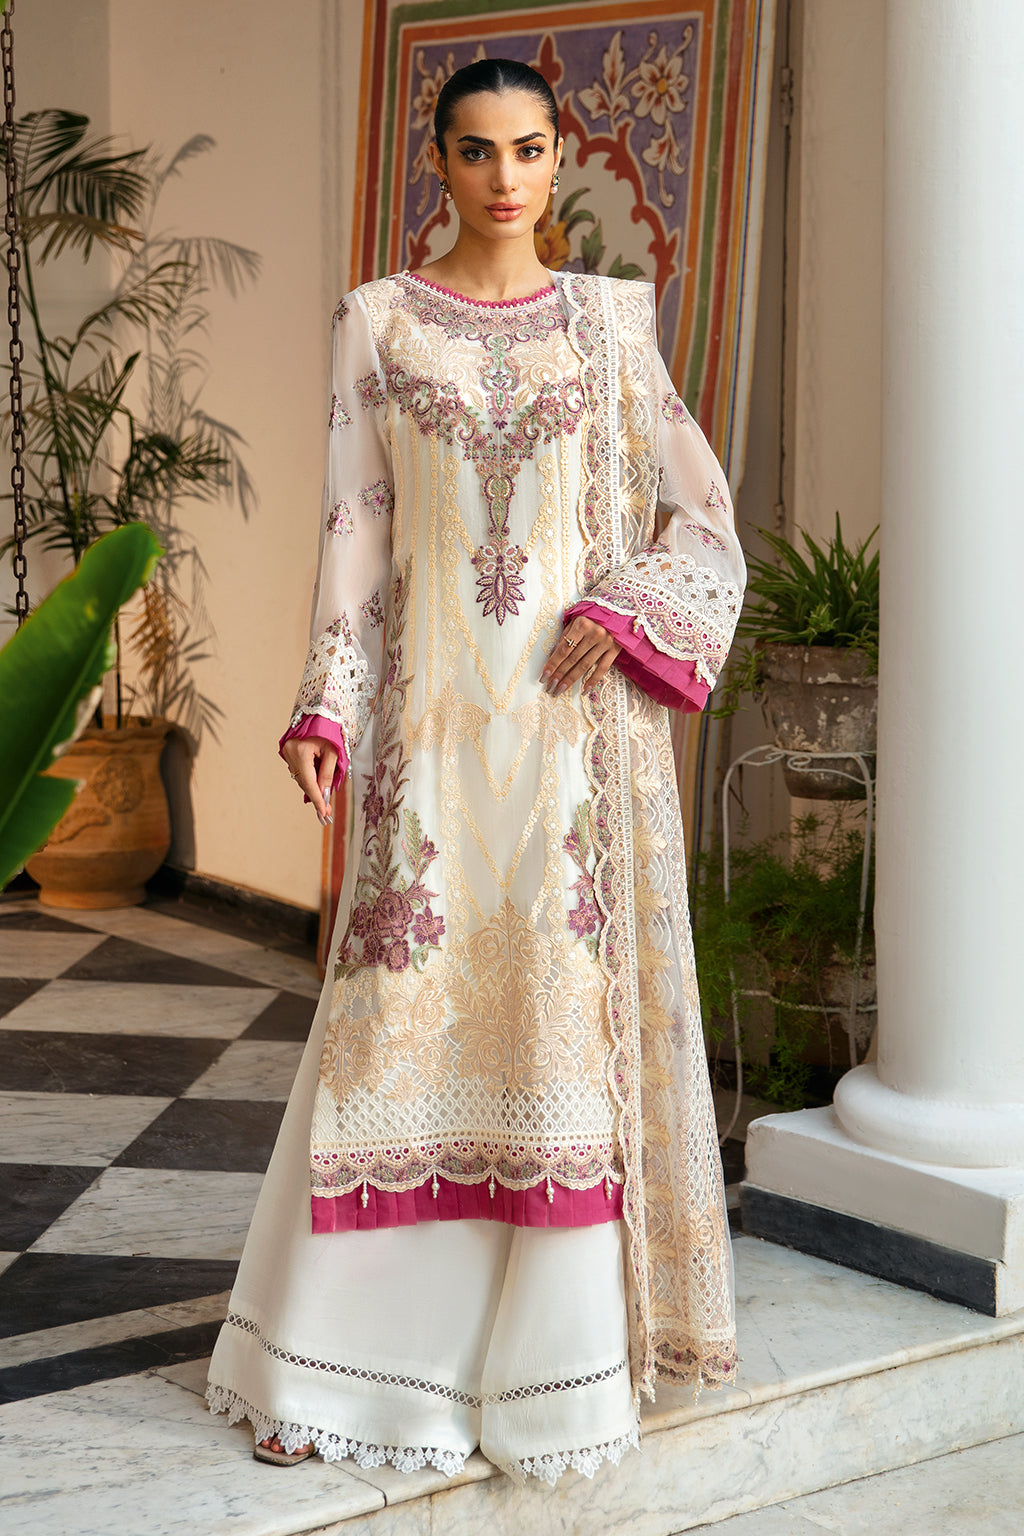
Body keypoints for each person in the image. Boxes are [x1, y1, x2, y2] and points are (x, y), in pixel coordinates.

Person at [207, 56, 745, 1487]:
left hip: (576, 753)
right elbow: (356, 534)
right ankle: (334, 1375)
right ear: (436, 163)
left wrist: (627, 608)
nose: (506, 176)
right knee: (394, 1024)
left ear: (559, 156)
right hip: (433, 742)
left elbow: (704, 518)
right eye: (476, 151)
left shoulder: (611, 326)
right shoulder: (378, 322)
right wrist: (327, 710)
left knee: (555, 1036)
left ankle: (551, 1386)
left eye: (529, 148)